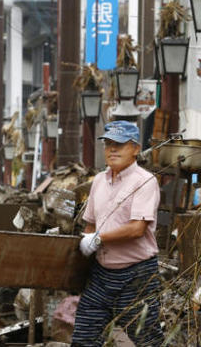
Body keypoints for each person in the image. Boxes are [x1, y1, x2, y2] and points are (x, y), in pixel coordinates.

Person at [72, 120, 163, 347]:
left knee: (148, 340)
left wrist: (99, 239)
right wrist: (87, 242)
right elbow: (90, 224)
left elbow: (137, 229)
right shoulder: (99, 182)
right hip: (102, 274)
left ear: (135, 148)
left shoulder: (145, 181)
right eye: (108, 144)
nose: (112, 149)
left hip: (137, 275)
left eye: (119, 144)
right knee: (84, 337)